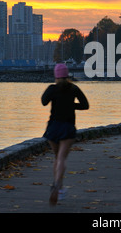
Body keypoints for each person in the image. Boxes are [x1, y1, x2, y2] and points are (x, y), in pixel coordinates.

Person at [41, 63, 89, 206]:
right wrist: (71, 105)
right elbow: (85, 105)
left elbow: (44, 102)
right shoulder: (74, 88)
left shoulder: (52, 89)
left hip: (53, 127)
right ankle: (58, 186)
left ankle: (58, 186)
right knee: (62, 158)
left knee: (57, 157)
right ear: (67, 75)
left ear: (56, 76)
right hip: (67, 127)